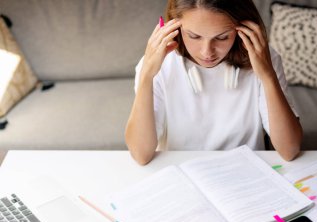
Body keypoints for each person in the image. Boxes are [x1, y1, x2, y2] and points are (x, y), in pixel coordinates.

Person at [125, 0, 303, 165]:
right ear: (175, 28)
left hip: (244, 172)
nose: (207, 52)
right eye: (194, 36)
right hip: (181, 173)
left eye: (222, 37)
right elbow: (141, 155)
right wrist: (146, 75)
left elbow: (290, 150)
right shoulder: (161, 64)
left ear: (243, 29)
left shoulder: (263, 58)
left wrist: (268, 76)